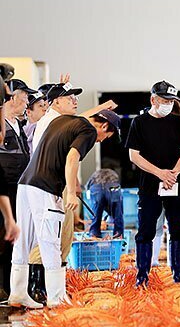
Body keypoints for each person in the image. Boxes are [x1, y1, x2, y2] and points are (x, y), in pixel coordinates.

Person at [9, 109, 119, 308]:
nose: (99, 141)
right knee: (51, 241)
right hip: (45, 186)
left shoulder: (63, 121)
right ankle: (56, 298)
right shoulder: (89, 130)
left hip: (25, 184)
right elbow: (71, 159)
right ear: (103, 126)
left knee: (23, 239)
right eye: (105, 137)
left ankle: (17, 293)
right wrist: (69, 193)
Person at [126, 81, 180, 287]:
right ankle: (142, 275)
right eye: (164, 101)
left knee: (178, 227)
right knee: (146, 229)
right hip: (150, 184)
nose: (168, 104)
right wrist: (159, 173)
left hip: (175, 183)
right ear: (153, 100)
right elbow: (134, 156)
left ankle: (178, 274)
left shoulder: (178, 122)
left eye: (171, 101)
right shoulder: (139, 123)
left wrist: (173, 174)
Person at [1, 80, 37, 296]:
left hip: (19, 190)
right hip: (4, 190)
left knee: (15, 239)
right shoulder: (1, 125)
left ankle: (11, 287)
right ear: (13, 97)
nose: (27, 103)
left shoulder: (18, 126)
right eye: (25, 98)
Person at [86, 169, 124, 238]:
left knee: (95, 216)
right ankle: (118, 236)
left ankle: (94, 235)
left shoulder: (94, 176)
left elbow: (88, 191)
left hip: (96, 186)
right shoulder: (114, 175)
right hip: (113, 185)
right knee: (118, 214)